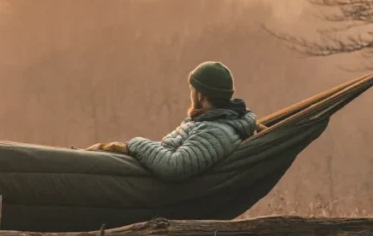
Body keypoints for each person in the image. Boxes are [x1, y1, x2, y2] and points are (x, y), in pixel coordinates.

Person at [85, 61, 259, 181]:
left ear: (201, 95)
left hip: (150, 191)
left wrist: (134, 144)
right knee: (88, 156)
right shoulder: (209, 121)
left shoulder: (216, 131)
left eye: (192, 89)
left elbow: (174, 166)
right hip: (145, 175)